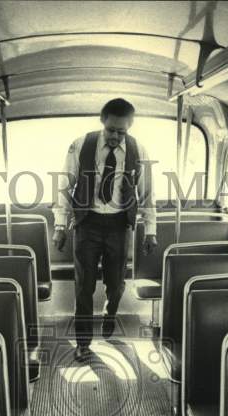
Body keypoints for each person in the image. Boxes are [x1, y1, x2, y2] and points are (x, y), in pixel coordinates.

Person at [52, 98, 157, 361]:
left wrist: (151, 230)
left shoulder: (138, 150)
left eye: (121, 132)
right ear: (102, 121)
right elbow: (64, 186)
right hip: (87, 223)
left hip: (120, 225)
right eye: (111, 130)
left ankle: (110, 313)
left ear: (129, 127)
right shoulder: (81, 145)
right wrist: (60, 225)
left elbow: (147, 193)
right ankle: (83, 343)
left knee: (116, 284)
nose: (115, 137)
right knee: (83, 287)